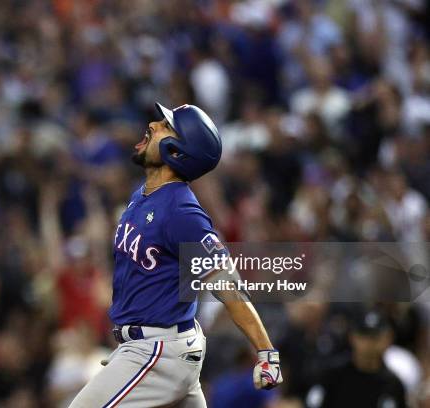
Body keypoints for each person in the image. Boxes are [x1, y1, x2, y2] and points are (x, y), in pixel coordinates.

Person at [69, 103, 282, 407]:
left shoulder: (182, 212)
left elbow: (228, 286)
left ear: (177, 151)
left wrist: (266, 351)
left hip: (159, 350)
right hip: (153, 346)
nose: (154, 125)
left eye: (166, 127)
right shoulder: (143, 194)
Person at [306, 309, 407, 408]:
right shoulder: (332, 375)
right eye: (364, 335)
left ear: (387, 339)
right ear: (352, 337)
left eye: (374, 337)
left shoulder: (393, 385)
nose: (369, 343)